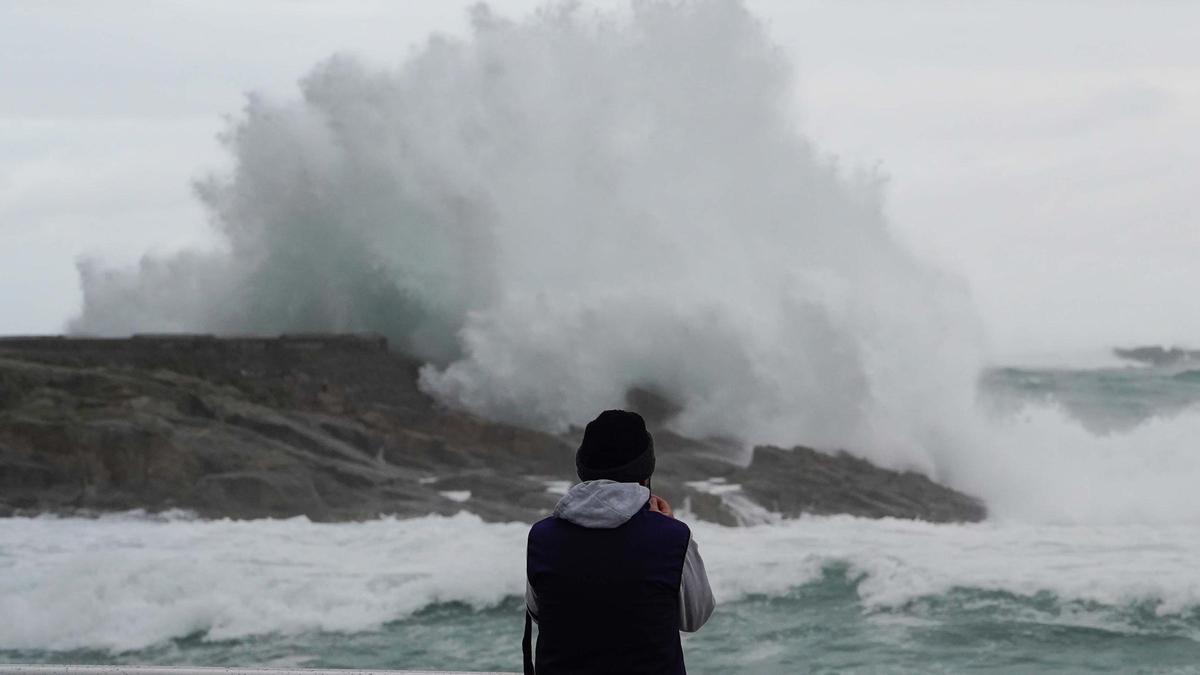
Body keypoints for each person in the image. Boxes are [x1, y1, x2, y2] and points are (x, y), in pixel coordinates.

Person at [524, 409, 716, 674]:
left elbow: (539, 612)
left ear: (583, 469)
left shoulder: (542, 537)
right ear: (645, 472)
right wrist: (671, 529)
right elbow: (696, 617)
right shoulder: (672, 538)